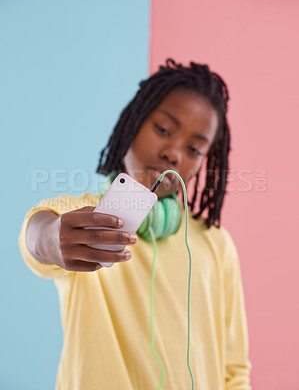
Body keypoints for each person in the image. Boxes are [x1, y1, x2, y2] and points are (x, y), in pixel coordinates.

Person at [19, 59, 252, 389]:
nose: (173, 153)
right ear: (132, 122)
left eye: (194, 148)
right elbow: (38, 233)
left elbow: (234, 370)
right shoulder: (82, 215)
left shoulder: (216, 243)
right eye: (163, 130)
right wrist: (48, 238)